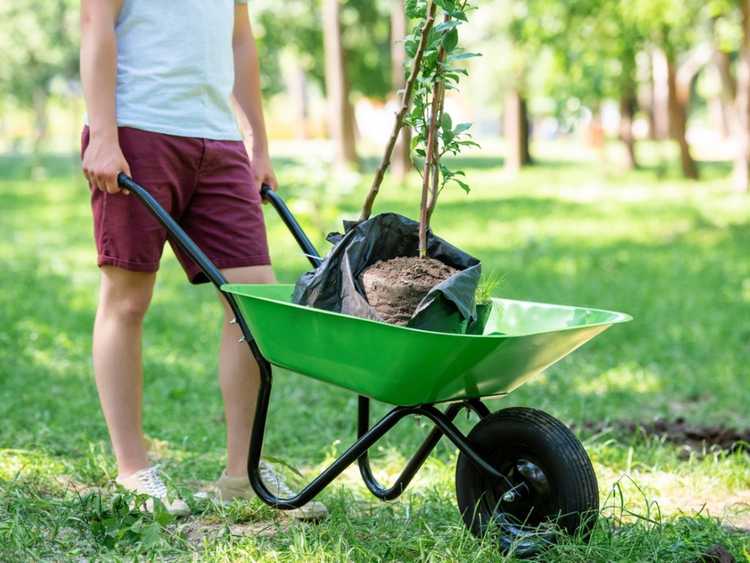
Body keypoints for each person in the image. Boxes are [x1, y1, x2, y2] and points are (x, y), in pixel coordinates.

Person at [79, 0, 326, 519]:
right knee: (127, 301)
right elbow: (95, 24)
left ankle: (243, 474)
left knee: (254, 302)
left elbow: (240, 38)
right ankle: (133, 471)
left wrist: (257, 143)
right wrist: (103, 134)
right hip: (137, 131)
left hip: (219, 141)